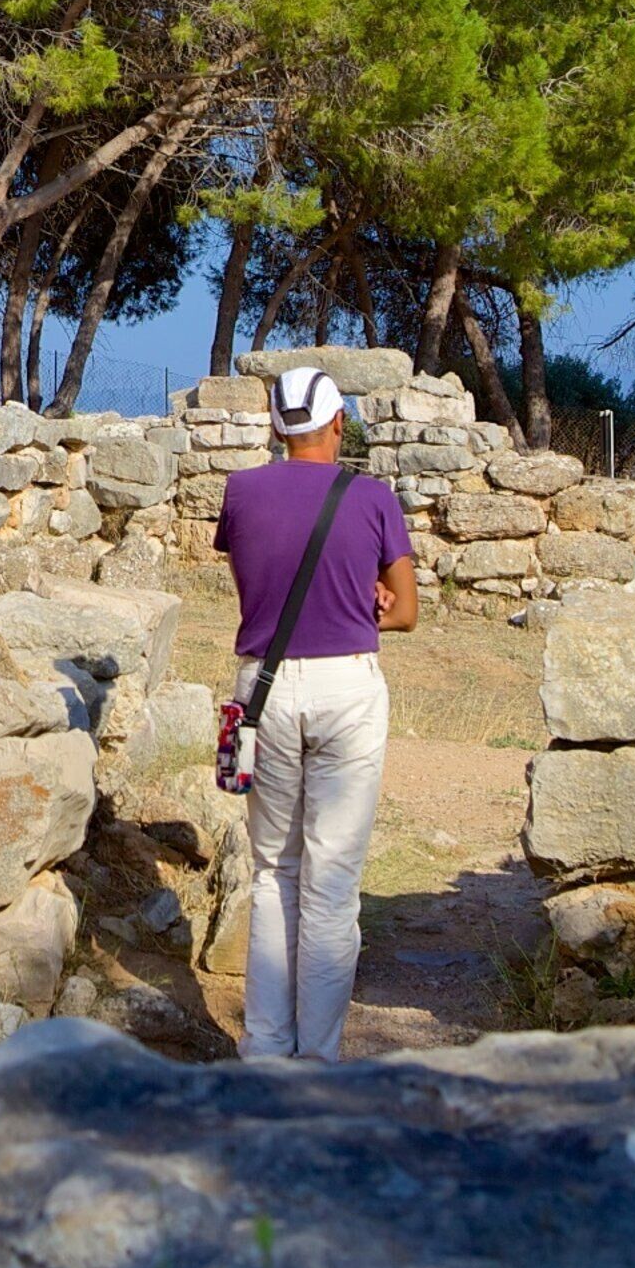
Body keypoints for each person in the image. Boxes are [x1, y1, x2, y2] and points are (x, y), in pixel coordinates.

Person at [213, 365, 419, 1059]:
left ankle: (266, 1047)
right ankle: (319, 1058)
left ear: (276, 427)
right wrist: (367, 603)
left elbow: (256, 589)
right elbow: (407, 612)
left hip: (264, 690)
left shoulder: (241, 491)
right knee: (332, 886)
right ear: (338, 423)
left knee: (274, 872)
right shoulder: (373, 498)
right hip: (346, 689)